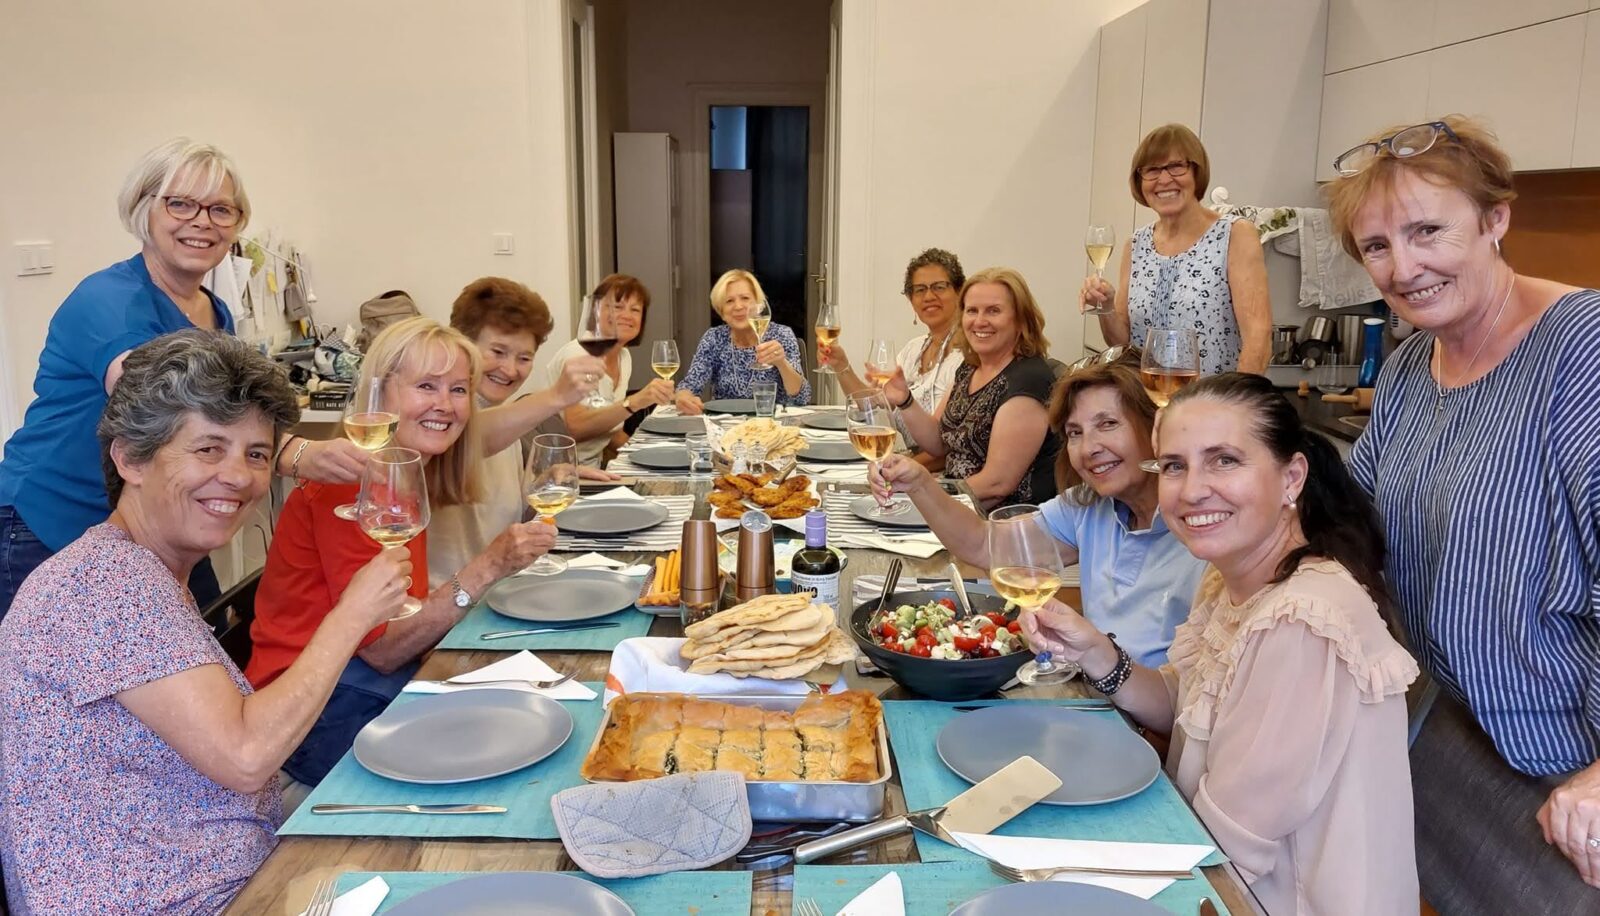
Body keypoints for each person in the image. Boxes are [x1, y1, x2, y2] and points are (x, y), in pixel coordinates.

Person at [0, 331, 411, 913]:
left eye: (256, 454)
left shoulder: (137, 569)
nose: (239, 477)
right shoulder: (107, 583)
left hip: (223, 878)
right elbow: (246, 755)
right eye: (209, 449)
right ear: (130, 458)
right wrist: (353, 615)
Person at [1328, 115, 1600, 911]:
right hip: (1445, 735)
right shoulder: (1413, 363)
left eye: (1427, 232)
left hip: (1567, 769)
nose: (1403, 267)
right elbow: (1354, 527)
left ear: (1495, 219)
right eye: (1377, 246)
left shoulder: (1582, 350)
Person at [1025, 373, 1419, 914]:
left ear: (1292, 477)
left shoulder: (1302, 621)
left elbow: (1227, 850)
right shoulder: (1228, 579)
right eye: (1174, 466)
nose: (1191, 490)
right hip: (1210, 865)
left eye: (1224, 460)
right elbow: (1183, 706)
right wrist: (1094, 651)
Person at [0, 138, 369, 619]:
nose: (202, 221)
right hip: (52, 521)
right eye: (181, 204)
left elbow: (230, 411)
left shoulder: (213, 311)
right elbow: (172, 410)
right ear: (144, 210)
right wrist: (300, 453)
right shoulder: (107, 300)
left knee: (209, 633)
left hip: (155, 520)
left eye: (221, 210)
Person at [246, 317, 566, 786]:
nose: (445, 405)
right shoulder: (351, 485)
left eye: (459, 390)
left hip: (355, 684)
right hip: (312, 712)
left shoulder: (404, 471)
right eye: (426, 386)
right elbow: (383, 649)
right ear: (381, 394)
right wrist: (489, 567)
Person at [872, 354, 1205, 665]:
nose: (1089, 448)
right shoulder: (1088, 504)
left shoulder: (1204, 528)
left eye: (1108, 424)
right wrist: (919, 483)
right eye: (1075, 433)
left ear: (1157, 426)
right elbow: (985, 545)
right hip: (1093, 690)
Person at [432, 277, 620, 588]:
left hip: (507, 587)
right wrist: (557, 396)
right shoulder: (441, 420)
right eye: (498, 351)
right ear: (462, 344)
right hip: (452, 601)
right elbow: (469, 438)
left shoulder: (510, 423)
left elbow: (514, 518)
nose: (510, 369)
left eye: (524, 358)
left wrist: (549, 482)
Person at [1081, 124, 1271, 375]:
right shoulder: (1136, 245)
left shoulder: (1234, 235)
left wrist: (1236, 397)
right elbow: (1123, 343)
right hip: (1145, 397)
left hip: (1210, 397)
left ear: (1196, 172)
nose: (1164, 179)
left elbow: (1258, 336)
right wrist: (1105, 309)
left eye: (1176, 166)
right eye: (1152, 170)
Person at [882, 267, 1059, 510]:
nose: (979, 321)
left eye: (993, 311)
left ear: (1020, 320)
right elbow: (938, 442)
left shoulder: (1028, 380)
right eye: (972, 311)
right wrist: (905, 400)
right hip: (955, 504)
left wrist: (922, 491)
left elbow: (996, 485)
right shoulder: (970, 367)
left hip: (1000, 521)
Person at [821, 248, 967, 463]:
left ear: (960, 292)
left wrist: (896, 471)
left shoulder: (968, 357)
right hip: (910, 465)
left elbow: (948, 447)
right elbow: (872, 408)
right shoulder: (913, 350)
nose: (929, 296)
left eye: (939, 287)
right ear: (910, 299)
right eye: (919, 290)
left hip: (938, 472)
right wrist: (841, 366)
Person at [547, 274, 674, 466]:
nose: (627, 315)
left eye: (635, 309)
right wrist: (635, 402)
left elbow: (609, 430)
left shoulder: (624, 357)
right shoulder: (579, 355)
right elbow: (576, 429)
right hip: (562, 471)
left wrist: (646, 455)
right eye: (617, 307)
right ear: (596, 311)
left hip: (595, 467)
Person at [675, 269, 811, 413]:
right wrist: (683, 397)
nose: (738, 306)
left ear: (758, 305)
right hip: (725, 422)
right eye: (729, 301)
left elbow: (802, 397)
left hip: (771, 422)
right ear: (722, 312)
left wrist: (781, 363)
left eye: (745, 298)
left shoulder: (781, 335)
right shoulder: (714, 338)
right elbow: (690, 385)